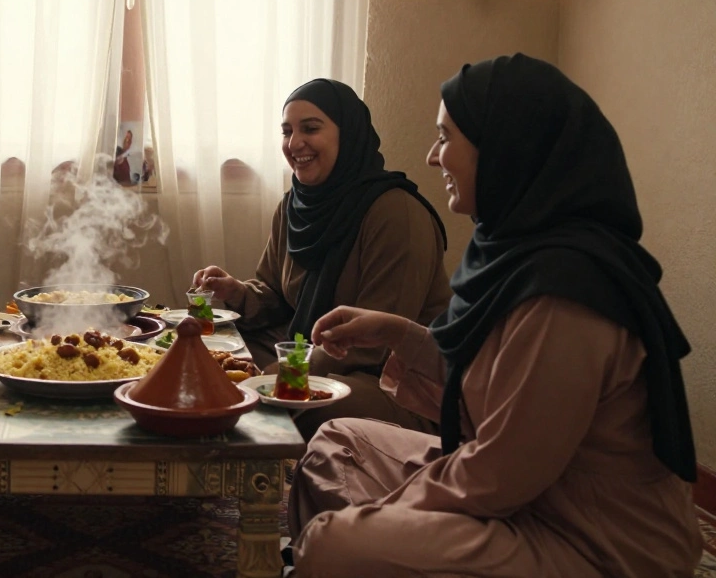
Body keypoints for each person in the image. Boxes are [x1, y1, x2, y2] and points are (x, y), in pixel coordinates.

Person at [286, 54, 702, 576]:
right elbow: (492, 380)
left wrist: (376, 517)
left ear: (503, 146)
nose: (432, 157)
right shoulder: (515, 250)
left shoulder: (568, 292)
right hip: (527, 498)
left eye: (445, 137)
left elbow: (496, 476)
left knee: (334, 547)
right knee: (337, 444)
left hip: (587, 540)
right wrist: (400, 333)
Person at [192, 78, 450, 438]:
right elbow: (275, 294)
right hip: (313, 354)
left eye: (310, 128)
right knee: (210, 355)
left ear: (348, 135)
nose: (295, 143)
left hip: (391, 381)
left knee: (289, 403)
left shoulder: (396, 214)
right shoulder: (294, 206)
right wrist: (236, 292)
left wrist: (281, 370)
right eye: (287, 131)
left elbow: (375, 342)